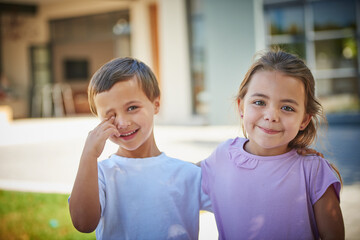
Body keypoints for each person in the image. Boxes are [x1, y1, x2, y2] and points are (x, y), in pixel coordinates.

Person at [201, 49, 344, 240]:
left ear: (304, 119)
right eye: (259, 102)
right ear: (241, 106)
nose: (271, 116)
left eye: (287, 108)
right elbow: (176, 183)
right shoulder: (223, 156)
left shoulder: (313, 171)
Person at [68, 57, 211, 239]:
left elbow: (242, 207)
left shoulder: (189, 174)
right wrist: (88, 155)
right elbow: (83, 223)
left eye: (132, 107)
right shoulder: (101, 174)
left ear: (156, 104)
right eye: (110, 115)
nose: (122, 122)